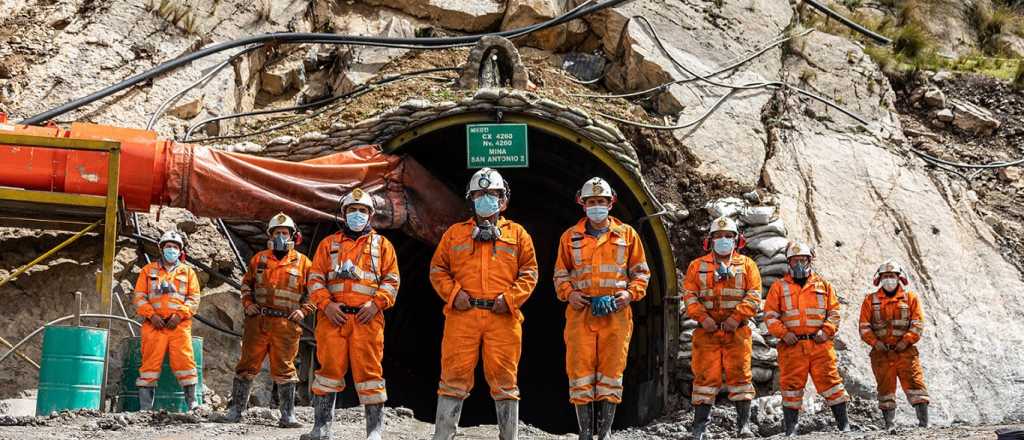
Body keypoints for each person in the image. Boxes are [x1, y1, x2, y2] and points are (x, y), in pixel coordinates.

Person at [429, 168, 539, 440]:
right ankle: (443, 436)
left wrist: (510, 299)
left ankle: (508, 436)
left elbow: (530, 272)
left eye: (492, 194)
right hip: (462, 316)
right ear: (471, 198)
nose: (486, 198)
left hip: (503, 318)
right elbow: (437, 270)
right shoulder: (455, 234)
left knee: (505, 379)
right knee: (453, 377)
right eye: (480, 193)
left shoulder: (518, 235)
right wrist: (455, 294)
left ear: (503, 200)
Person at [553, 177, 649, 439]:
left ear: (611, 203)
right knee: (580, 370)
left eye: (601, 202)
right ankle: (585, 432)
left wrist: (628, 295)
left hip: (616, 314)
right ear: (582, 204)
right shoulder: (569, 237)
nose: (596, 206)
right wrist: (569, 294)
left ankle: (604, 432)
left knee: (611, 371)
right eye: (591, 202)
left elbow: (641, 273)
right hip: (580, 313)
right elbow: (560, 274)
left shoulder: (628, 235)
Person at [302, 189, 401, 440]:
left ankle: (374, 431)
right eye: (352, 210)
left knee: (370, 373)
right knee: (328, 372)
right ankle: (321, 428)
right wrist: (326, 305)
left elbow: (392, 280)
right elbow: (314, 279)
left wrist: (376, 304)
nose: (357, 215)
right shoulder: (328, 245)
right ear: (343, 214)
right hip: (333, 319)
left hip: (367, 320)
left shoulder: (383, 246)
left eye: (363, 210)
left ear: (370, 215)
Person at [220, 213, 312, 427]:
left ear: (293, 236)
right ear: (270, 236)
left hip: (286, 324)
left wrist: (304, 311)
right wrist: (247, 304)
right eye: (277, 233)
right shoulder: (259, 259)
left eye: (284, 233)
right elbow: (246, 285)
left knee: (285, 368)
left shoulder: (304, 263)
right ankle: (236, 411)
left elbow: (314, 291)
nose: (281, 236)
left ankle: (287, 416)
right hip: (258, 322)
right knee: (246, 365)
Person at [681, 216, 761, 440]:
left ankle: (743, 427)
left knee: (741, 377)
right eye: (718, 236)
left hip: (737, 332)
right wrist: (702, 317)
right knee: (704, 379)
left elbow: (754, 295)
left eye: (728, 236)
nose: (723, 240)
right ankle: (699, 429)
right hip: (707, 333)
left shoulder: (747, 266)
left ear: (737, 240)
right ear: (710, 240)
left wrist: (736, 317)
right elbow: (689, 295)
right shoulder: (697, 266)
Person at [763, 241, 850, 436]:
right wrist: (784, 333)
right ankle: (791, 428)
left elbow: (834, 312)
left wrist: (826, 330)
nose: (799, 264)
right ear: (789, 263)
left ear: (810, 260)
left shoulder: (824, 286)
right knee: (791, 387)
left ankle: (844, 425)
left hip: (820, 345)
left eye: (803, 260)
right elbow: (770, 316)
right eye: (795, 261)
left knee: (832, 383)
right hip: (792, 346)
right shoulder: (779, 287)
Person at [132, 230, 201, 411]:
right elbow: (139, 296)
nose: (171, 249)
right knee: (149, 365)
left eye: (175, 247)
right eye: (168, 246)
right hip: (154, 326)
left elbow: (194, 298)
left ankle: (192, 403)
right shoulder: (148, 271)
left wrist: (179, 315)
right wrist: (152, 315)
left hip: (178, 326)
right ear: (161, 249)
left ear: (180, 251)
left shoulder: (188, 272)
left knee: (185, 361)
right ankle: (145, 408)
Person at [858, 259, 929, 429]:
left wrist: (906, 341)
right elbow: (864, 327)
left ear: (899, 277)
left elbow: (917, 323)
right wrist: (875, 343)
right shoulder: (870, 300)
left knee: (916, 386)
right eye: (885, 276)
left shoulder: (910, 298)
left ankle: (923, 424)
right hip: (881, 354)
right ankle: (890, 425)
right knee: (885, 389)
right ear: (879, 278)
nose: (889, 279)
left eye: (892, 276)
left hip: (905, 352)